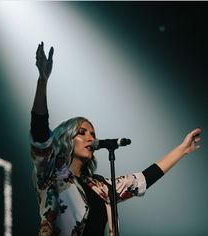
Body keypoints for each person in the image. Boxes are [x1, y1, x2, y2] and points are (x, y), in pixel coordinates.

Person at [30, 42, 201, 236]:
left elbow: (141, 179)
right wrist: (42, 81)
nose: (91, 138)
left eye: (93, 134)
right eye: (82, 132)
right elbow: (39, 133)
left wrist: (182, 150)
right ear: (66, 139)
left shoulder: (100, 186)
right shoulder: (50, 173)